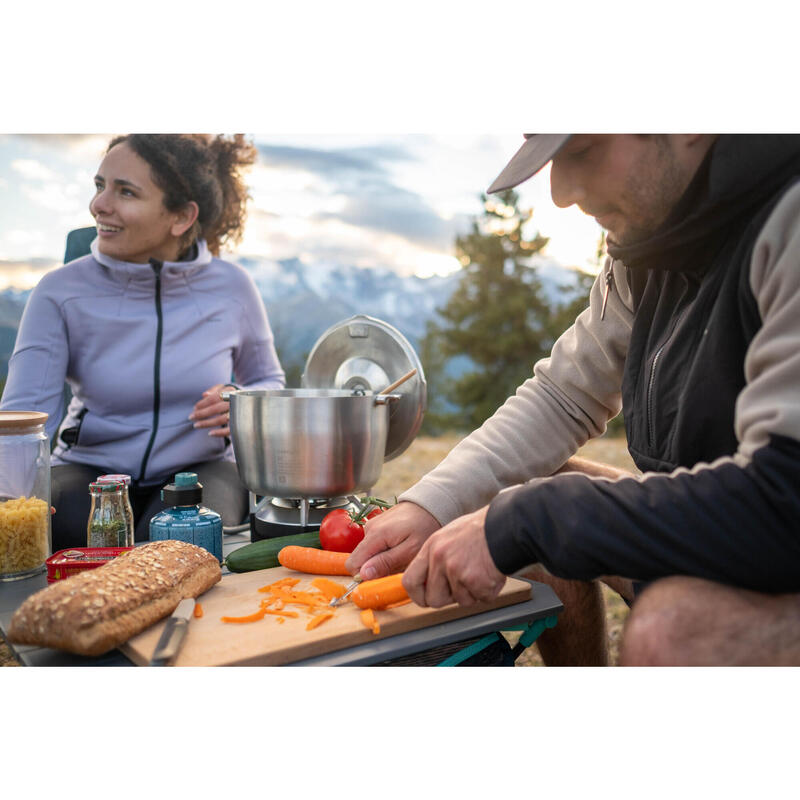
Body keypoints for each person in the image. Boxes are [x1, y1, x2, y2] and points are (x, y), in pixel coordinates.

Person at [347, 134, 800, 666]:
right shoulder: (653, 244)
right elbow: (564, 396)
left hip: (776, 535)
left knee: (673, 631)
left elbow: (783, 501)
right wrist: (430, 507)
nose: (560, 193)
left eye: (582, 150)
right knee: (528, 494)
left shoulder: (785, 220)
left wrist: (528, 518)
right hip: (723, 532)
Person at [1, 134, 286, 549]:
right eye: (101, 186)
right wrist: (12, 509)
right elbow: (22, 420)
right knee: (63, 536)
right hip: (87, 469)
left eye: (126, 192)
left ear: (181, 217)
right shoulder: (59, 291)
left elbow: (269, 382)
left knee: (181, 546)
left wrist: (240, 400)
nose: (100, 204)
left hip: (202, 468)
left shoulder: (232, 288)